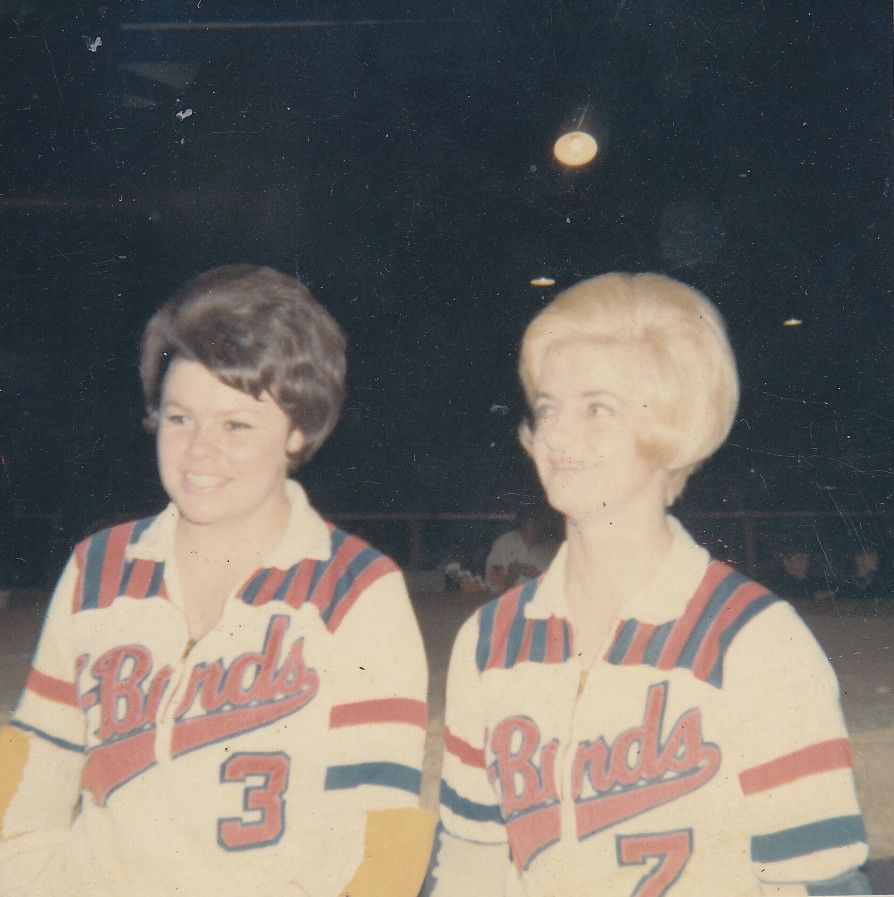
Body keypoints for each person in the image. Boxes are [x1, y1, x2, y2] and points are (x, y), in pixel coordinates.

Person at [424, 273, 869, 896]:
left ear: (672, 425)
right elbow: (470, 865)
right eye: (548, 407)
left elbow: (821, 885)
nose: (557, 435)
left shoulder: (754, 641)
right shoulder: (489, 640)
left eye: (596, 408)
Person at [0, 265, 433, 897]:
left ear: (298, 430)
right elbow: (31, 784)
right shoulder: (98, 569)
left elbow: (378, 841)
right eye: (179, 419)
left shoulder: (358, 590)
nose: (199, 451)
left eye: (235, 426)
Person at [485, 507, 557, 594]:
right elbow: (492, 585)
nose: (537, 528)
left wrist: (538, 576)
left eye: (540, 524)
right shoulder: (504, 543)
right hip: (508, 602)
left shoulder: (551, 548)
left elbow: (557, 589)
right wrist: (510, 577)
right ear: (524, 523)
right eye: (532, 523)